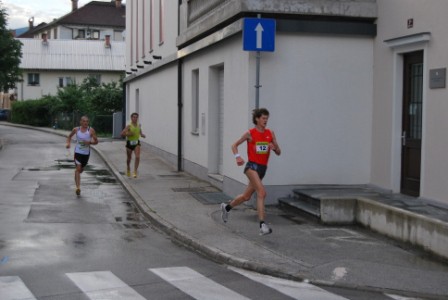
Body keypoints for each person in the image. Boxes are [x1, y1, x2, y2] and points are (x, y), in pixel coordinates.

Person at [221, 108, 281, 235]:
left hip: (262, 169)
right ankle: (262, 225)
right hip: (251, 167)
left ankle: (226, 207)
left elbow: (279, 152)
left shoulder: (271, 133)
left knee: (246, 196)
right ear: (257, 119)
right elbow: (234, 145)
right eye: (263, 118)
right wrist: (238, 157)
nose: (266, 121)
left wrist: (274, 147)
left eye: (267, 118)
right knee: (262, 192)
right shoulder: (250, 133)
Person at [66, 116, 99, 196]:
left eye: (87, 121)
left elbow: (96, 141)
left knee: (80, 170)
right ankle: (78, 188)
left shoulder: (91, 130)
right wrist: (68, 143)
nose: (85, 123)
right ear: (80, 122)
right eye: (84, 121)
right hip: (78, 152)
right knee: (78, 168)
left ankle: (77, 173)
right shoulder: (76, 130)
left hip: (86, 154)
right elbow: (69, 136)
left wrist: (89, 143)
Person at [121, 112, 146, 178]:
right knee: (129, 158)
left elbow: (140, 132)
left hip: (136, 143)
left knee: (137, 157)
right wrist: (128, 134)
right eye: (134, 117)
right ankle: (128, 168)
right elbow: (122, 134)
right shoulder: (129, 126)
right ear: (131, 118)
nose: (135, 118)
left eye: (136, 117)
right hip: (129, 143)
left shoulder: (139, 125)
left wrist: (142, 135)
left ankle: (135, 171)